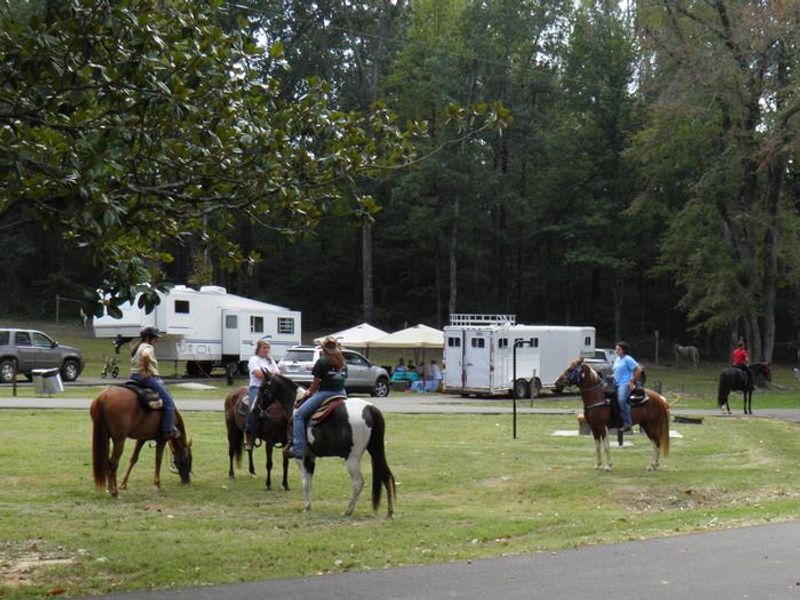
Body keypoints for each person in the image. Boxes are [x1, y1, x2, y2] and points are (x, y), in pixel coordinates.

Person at [284, 336, 348, 459]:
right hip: (342, 393)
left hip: (325, 393)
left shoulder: (322, 362)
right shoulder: (343, 362)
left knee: (298, 415)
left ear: (324, 350)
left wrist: (308, 392)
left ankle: (298, 449)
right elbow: (343, 379)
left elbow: (315, 383)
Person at [130, 326, 179, 439]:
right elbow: (146, 355)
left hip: (134, 376)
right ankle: (167, 430)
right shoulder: (148, 347)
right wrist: (146, 371)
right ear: (148, 338)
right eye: (155, 338)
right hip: (147, 378)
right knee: (169, 403)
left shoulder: (137, 347)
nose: (157, 341)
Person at [245, 340, 280, 451]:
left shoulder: (270, 360)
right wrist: (271, 375)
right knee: (253, 409)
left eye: (267, 348)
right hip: (257, 388)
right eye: (264, 348)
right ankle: (249, 435)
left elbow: (278, 374)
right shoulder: (254, 360)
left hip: (271, 389)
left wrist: (270, 375)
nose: (266, 350)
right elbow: (258, 374)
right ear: (258, 348)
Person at [612, 341, 642, 433]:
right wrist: (612, 376)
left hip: (624, 384)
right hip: (615, 383)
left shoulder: (628, 359)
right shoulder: (617, 359)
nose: (616, 351)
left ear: (624, 350)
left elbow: (639, 369)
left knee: (621, 400)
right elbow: (617, 371)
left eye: (618, 349)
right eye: (616, 349)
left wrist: (631, 381)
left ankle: (627, 424)